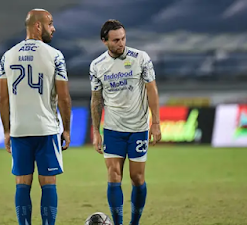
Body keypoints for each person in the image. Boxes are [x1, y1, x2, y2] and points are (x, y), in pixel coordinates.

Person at [0, 8, 71, 225]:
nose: (53, 28)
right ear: (37, 26)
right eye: (50, 23)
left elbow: (3, 99)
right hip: (46, 129)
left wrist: (7, 131)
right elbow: (64, 97)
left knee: (22, 182)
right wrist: (66, 129)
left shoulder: (7, 56)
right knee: (48, 182)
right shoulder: (55, 55)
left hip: (20, 130)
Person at [89, 19, 162, 225]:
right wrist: (96, 131)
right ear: (105, 41)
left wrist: (155, 122)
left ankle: (134, 223)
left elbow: (151, 89)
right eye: (116, 40)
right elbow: (96, 99)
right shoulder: (97, 66)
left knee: (137, 178)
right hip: (112, 129)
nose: (121, 43)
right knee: (113, 175)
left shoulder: (141, 58)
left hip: (138, 129)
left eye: (123, 39)